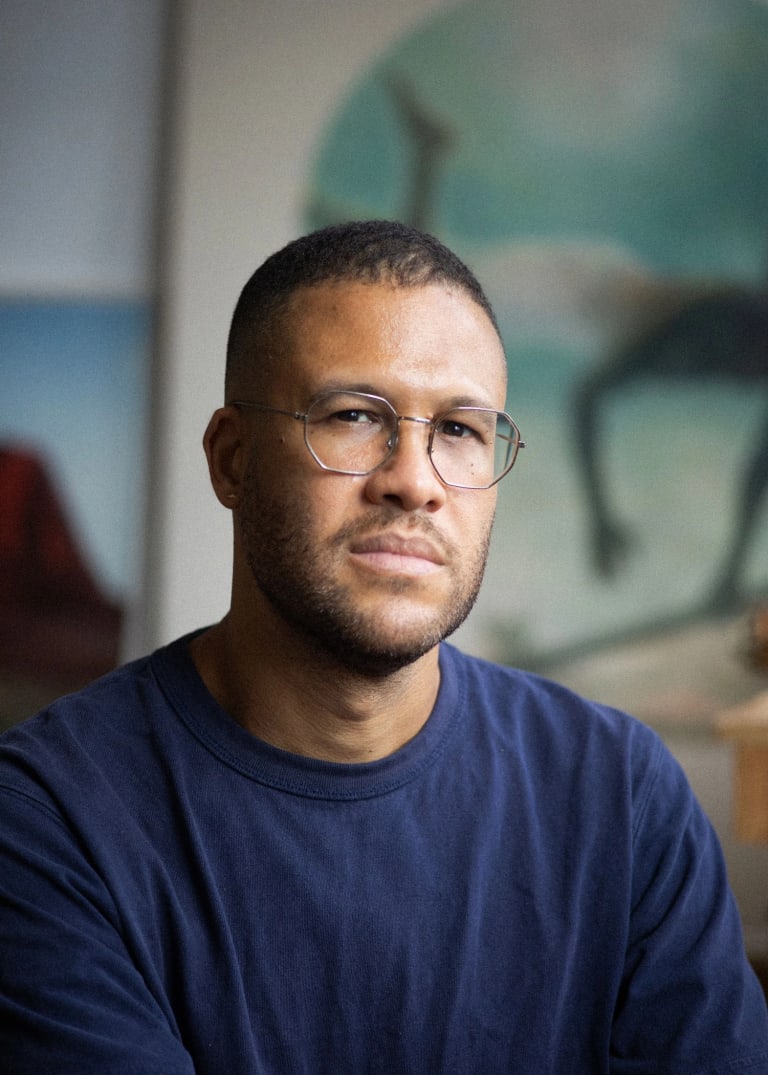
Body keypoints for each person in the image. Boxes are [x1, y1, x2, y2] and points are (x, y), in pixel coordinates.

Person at [0, 220, 766, 1074]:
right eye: (356, 415)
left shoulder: (622, 797)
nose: (415, 478)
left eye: (461, 430)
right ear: (231, 459)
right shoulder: (46, 818)